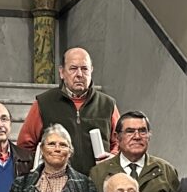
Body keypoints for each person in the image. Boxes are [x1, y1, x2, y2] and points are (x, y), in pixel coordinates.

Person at [17, 47, 120, 177]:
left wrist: (113, 158)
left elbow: (120, 142)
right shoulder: (44, 103)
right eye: (73, 68)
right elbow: (25, 146)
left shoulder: (107, 104)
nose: (79, 74)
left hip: (100, 184)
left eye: (84, 68)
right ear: (62, 72)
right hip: (58, 187)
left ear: (91, 70)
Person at [89, 111, 179, 192]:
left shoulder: (166, 171)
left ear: (149, 136)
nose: (137, 137)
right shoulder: (98, 173)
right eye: (130, 131)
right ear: (117, 137)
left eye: (142, 131)